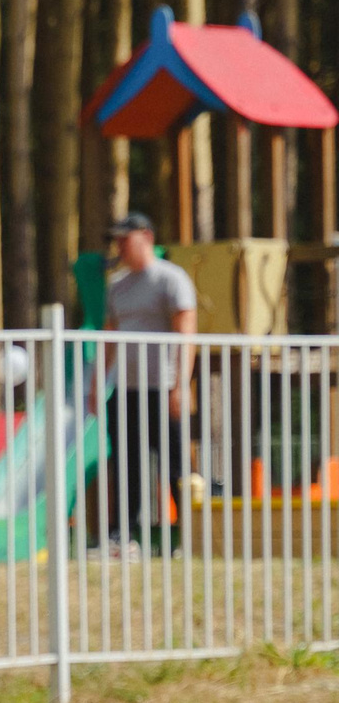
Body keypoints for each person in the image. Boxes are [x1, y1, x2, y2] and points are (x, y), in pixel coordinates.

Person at [102, 212, 198, 557]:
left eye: (125, 239)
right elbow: (109, 337)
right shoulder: (117, 285)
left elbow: (187, 334)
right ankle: (123, 537)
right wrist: (99, 383)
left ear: (146, 237)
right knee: (126, 464)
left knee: (176, 464)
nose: (119, 246)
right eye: (117, 240)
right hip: (126, 390)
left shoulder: (171, 279)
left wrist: (180, 385)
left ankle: (192, 537)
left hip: (164, 388)